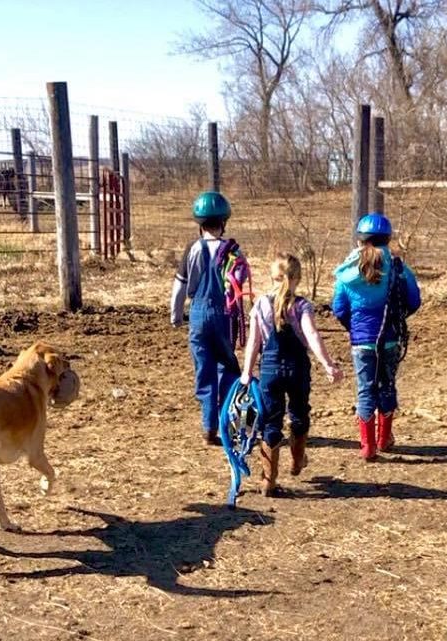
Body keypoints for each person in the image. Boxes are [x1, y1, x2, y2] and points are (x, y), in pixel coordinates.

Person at [240, 253, 343, 496]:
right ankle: (297, 462)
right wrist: (328, 364)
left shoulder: (261, 305)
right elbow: (312, 336)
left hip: (270, 370)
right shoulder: (302, 305)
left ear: (272, 277)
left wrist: (246, 372)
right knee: (298, 414)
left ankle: (268, 480)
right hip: (297, 368)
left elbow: (253, 342)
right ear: (297, 278)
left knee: (270, 421)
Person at [332, 212, 421, 461]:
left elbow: (339, 307)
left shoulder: (347, 270)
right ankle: (384, 439)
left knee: (365, 389)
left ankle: (367, 445)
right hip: (390, 338)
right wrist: (397, 319)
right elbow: (414, 300)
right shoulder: (398, 267)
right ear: (387, 238)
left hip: (361, 342)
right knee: (387, 385)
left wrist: (354, 328)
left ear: (360, 239)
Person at [171, 191, 242, 446]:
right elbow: (240, 285)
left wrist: (176, 315)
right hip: (224, 315)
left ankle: (208, 426)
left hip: (198, 314)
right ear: (224, 222)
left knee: (204, 369)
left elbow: (180, 285)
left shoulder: (193, 248)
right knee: (228, 367)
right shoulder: (232, 250)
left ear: (200, 224)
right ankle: (228, 419)